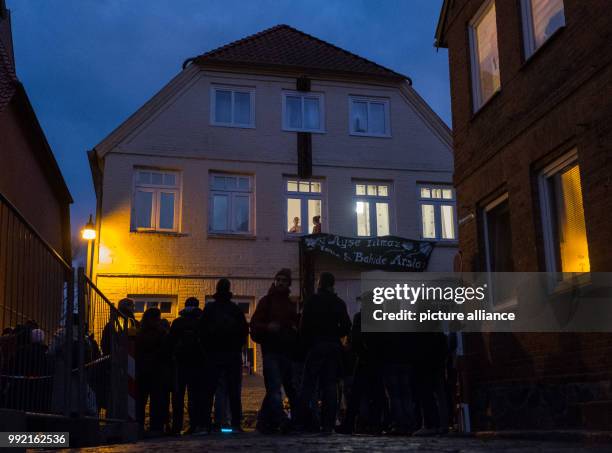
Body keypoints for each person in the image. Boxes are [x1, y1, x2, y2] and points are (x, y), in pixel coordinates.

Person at [298, 272, 351, 433]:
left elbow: (303, 326)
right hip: (333, 346)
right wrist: (336, 333)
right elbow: (346, 326)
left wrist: (307, 343)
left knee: (308, 385)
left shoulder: (312, 301)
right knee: (330, 386)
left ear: (320, 284)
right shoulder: (338, 303)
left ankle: (301, 422)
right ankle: (328, 424)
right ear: (332, 284)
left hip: (316, 345)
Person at [250, 269, 299, 434]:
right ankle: (282, 420)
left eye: (284, 280)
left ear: (288, 283)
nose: (280, 282)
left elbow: (294, 326)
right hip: (271, 351)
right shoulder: (266, 301)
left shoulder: (290, 304)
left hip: (287, 352)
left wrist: (293, 331)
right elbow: (255, 324)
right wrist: (267, 327)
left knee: (277, 388)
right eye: (278, 279)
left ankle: (263, 423)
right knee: (275, 388)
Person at [199, 279, 248, 432]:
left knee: (209, 390)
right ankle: (235, 423)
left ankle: (206, 424)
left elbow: (201, 332)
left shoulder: (210, 309)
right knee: (233, 391)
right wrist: (237, 348)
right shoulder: (235, 309)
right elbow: (243, 332)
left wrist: (207, 349)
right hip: (231, 354)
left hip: (213, 354)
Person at [168, 297, 204, 435]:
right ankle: (194, 425)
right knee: (194, 397)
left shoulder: (177, 322)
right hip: (196, 365)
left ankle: (176, 427)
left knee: (178, 397)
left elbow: (170, 342)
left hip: (179, 364)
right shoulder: (200, 322)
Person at [135, 307, 170, 436]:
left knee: (140, 401)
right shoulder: (162, 333)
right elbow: (167, 352)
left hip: (142, 371)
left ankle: (139, 425)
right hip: (158, 372)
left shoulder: (139, 333)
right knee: (157, 401)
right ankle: (156, 427)